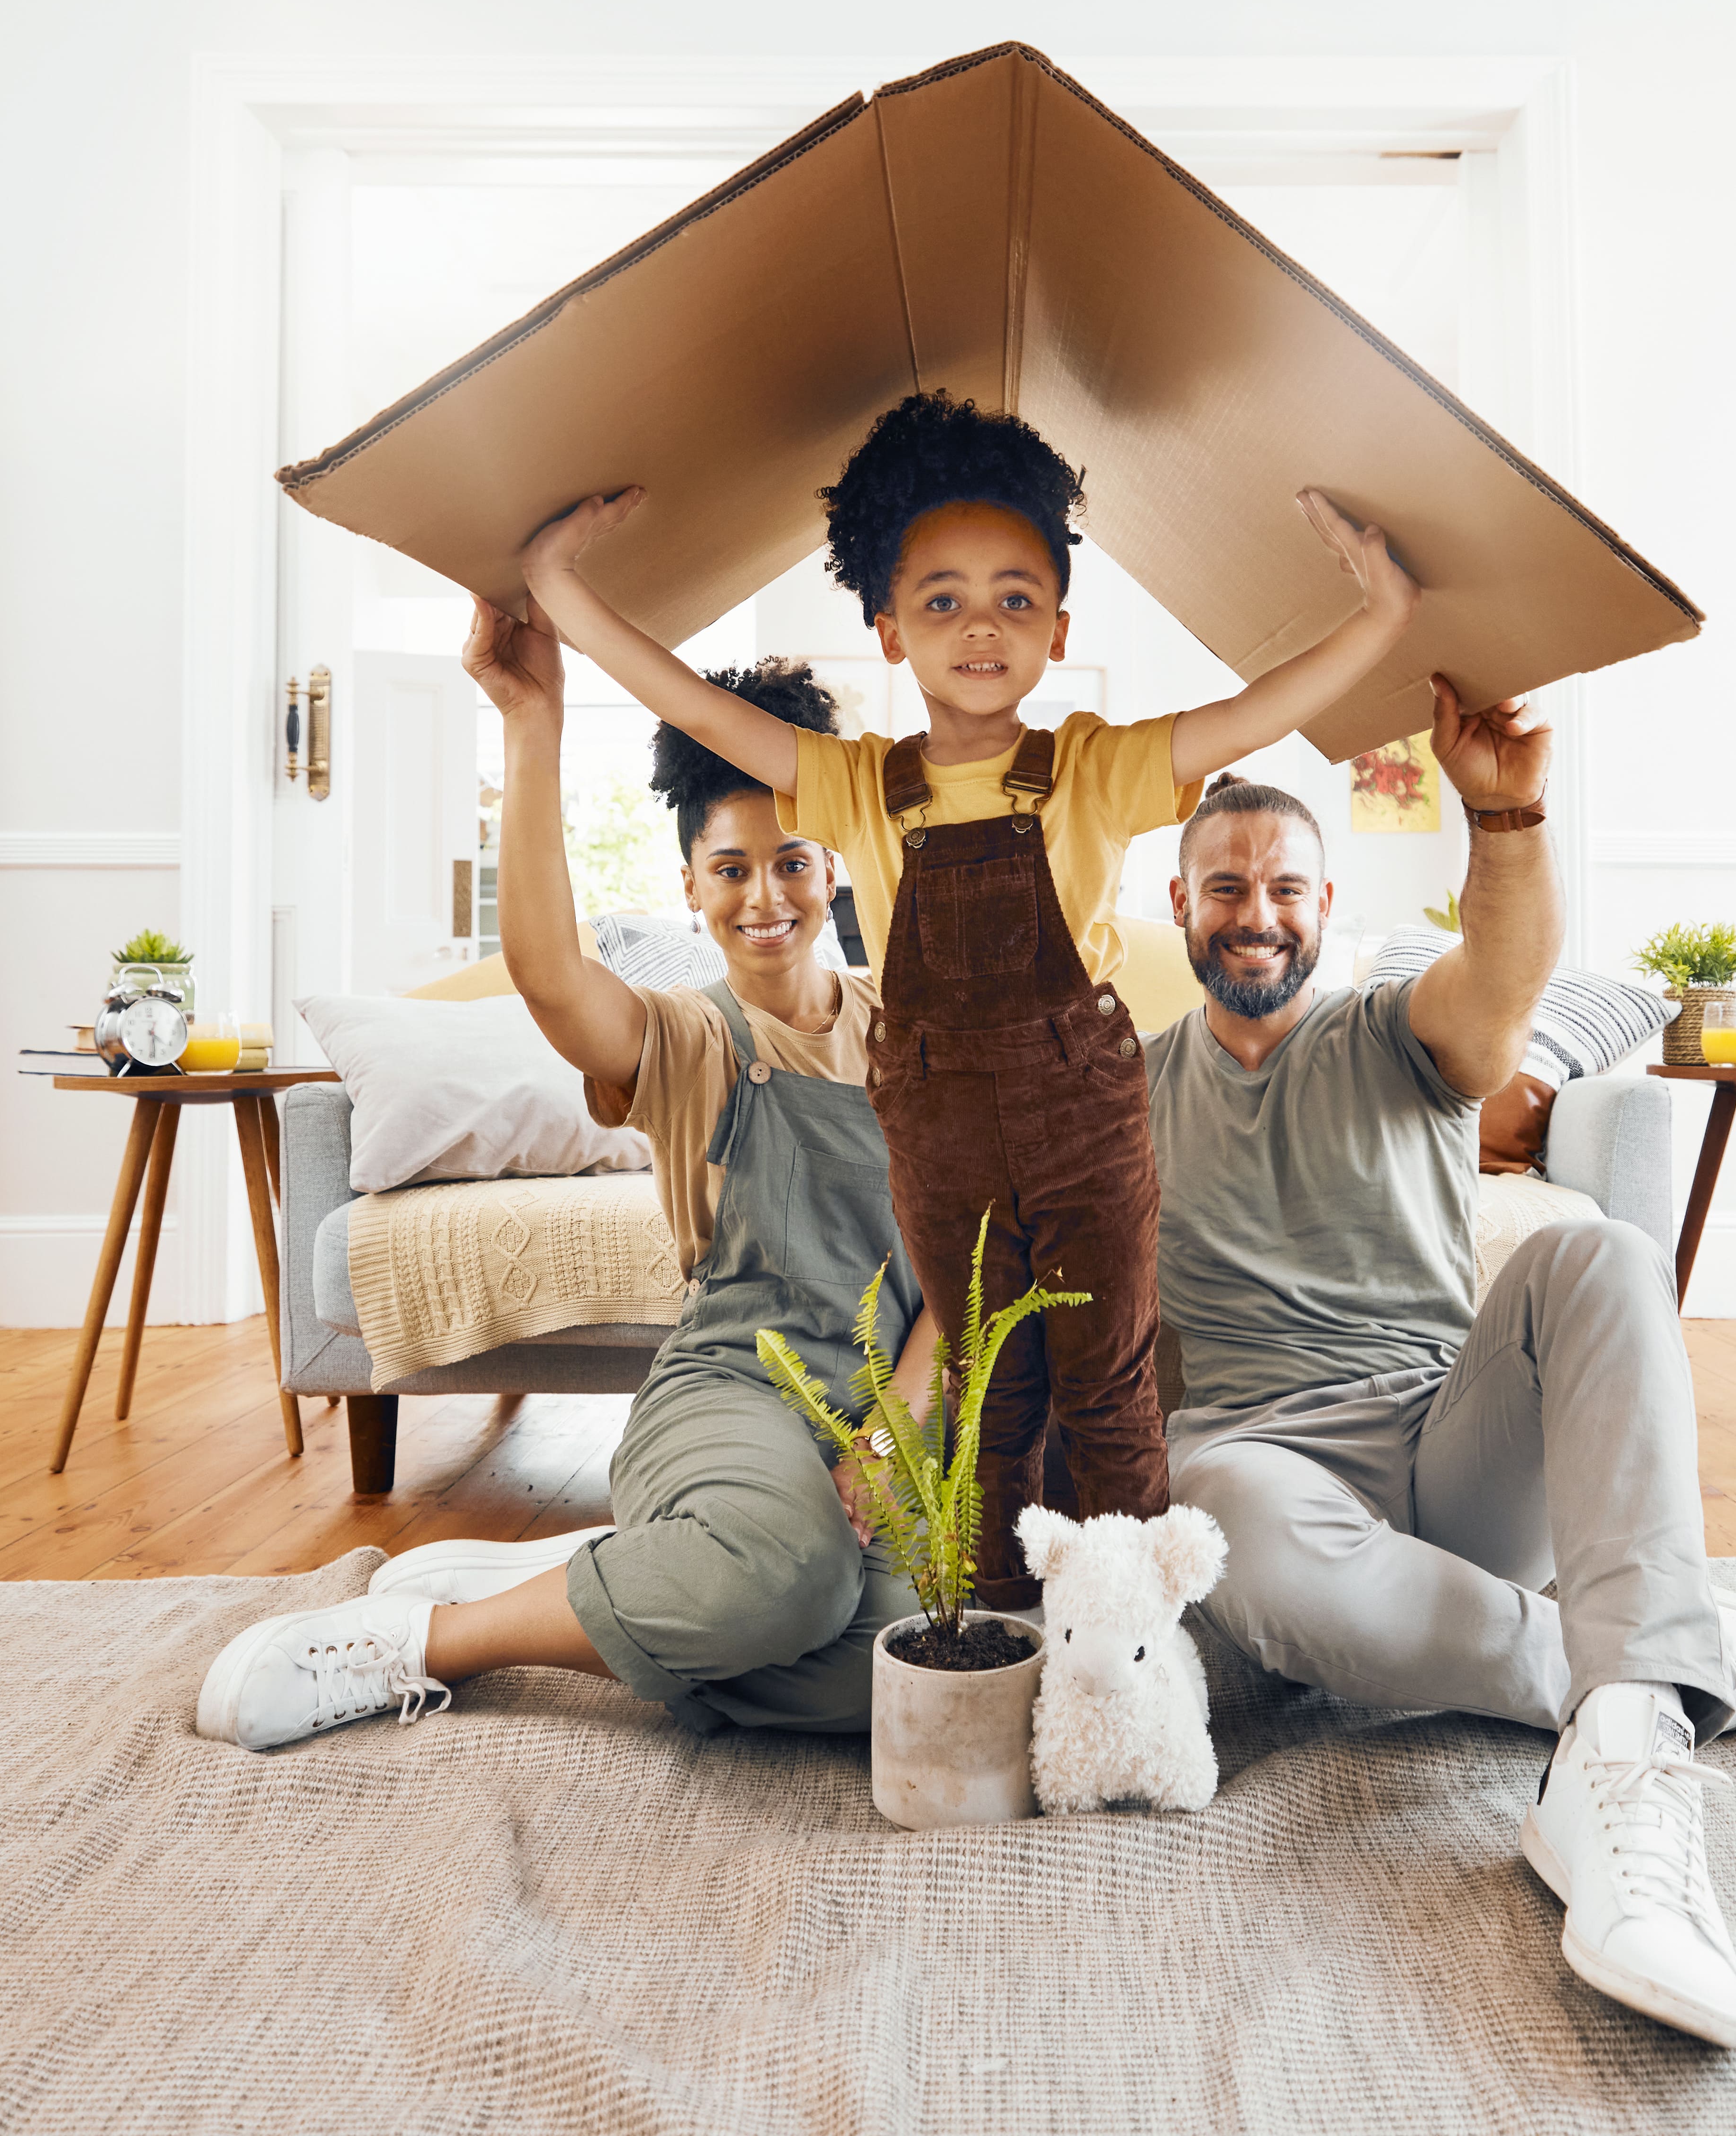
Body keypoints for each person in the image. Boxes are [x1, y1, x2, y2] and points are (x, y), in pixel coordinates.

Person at [1144, 680, 1736, 2050]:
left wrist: (1506, 809)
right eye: (1223, 883)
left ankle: (1630, 1762)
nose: (1255, 909)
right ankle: (1683, 1662)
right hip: (1262, 1456)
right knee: (1217, 1519)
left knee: (1600, 1248)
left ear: (1325, 901)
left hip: (1445, 1436)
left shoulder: (1393, 1032)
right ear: (1179, 906)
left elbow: (1502, 977)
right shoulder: (1126, 1082)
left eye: (1284, 885)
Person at [503, 392, 1419, 1609]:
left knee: (1110, 1386)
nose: (979, 626)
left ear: (1055, 630)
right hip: (939, 1132)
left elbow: (1259, 711)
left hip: (1083, 1123)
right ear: (886, 629)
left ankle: (1132, 1641)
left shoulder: (1093, 763)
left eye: (1014, 599)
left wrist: (1384, 613)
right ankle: (997, 1633)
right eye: (940, 599)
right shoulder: (849, 786)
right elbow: (690, 703)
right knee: (993, 1398)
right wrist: (556, 588)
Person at [197, 623, 941, 1752]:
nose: (764, 897)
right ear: (690, 886)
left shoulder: (914, 1033)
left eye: (791, 862)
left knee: (910, 1676)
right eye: (731, 870)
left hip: (878, 1409)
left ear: (833, 865)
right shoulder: (691, 1039)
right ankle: (425, 1641)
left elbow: (954, 1277)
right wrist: (529, 720)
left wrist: (887, 1439)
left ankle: (621, 1573)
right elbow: (549, 974)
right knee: (790, 1588)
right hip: (735, 1395)